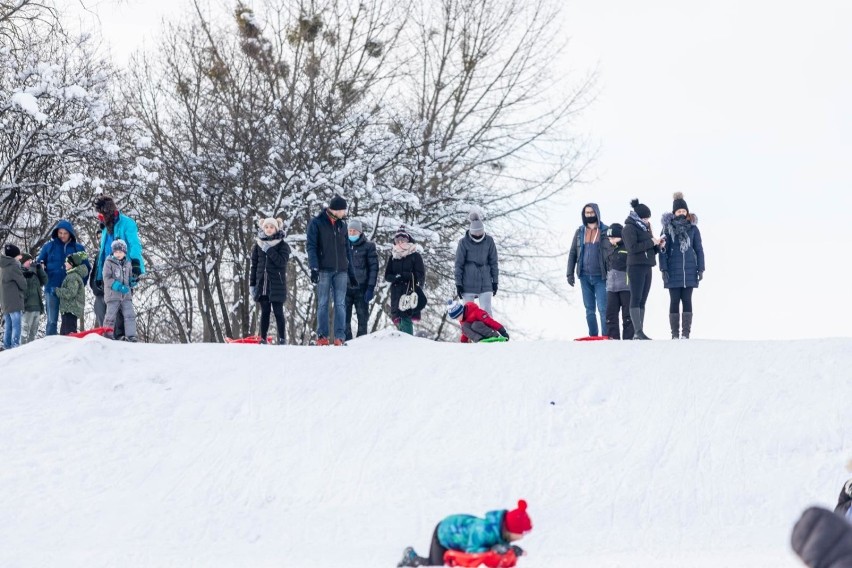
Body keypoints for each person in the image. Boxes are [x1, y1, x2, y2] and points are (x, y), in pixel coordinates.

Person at [397, 500, 532, 567]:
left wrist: (510, 551)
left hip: (460, 538)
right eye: (521, 533)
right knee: (435, 565)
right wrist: (495, 550)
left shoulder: (501, 532)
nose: (522, 536)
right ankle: (411, 557)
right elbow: (473, 553)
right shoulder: (483, 531)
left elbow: (496, 557)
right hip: (445, 533)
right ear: (512, 530)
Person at [306, 195, 358, 345]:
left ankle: (339, 337)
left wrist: (351, 273)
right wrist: (314, 267)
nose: (345, 213)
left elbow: (347, 250)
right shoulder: (317, 223)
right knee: (323, 302)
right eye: (343, 210)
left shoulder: (342, 226)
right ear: (335, 210)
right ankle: (322, 336)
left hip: (341, 270)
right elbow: (311, 246)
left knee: (340, 303)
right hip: (323, 269)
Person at [659, 192, 705, 339]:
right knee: (674, 300)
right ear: (674, 213)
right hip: (673, 271)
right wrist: (663, 268)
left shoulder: (693, 229)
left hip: (689, 271)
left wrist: (701, 268)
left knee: (687, 300)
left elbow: (698, 249)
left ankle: (686, 334)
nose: (681, 213)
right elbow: (662, 250)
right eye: (678, 211)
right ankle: (674, 334)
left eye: (683, 211)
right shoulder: (667, 229)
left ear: (687, 212)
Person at [35, 220, 89, 336]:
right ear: (57, 233)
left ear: (70, 233)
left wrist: (80, 285)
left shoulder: (78, 248)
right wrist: (41, 266)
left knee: (68, 321)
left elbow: (86, 267)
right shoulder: (48, 247)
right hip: (52, 287)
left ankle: (67, 347)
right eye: (60, 233)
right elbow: (39, 262)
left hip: (71, 291)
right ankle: (50, 344)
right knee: (52, 320)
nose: (62, 235)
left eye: (65, 233)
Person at [567, 203, 609, 336]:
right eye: (587, 213)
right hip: (584, 276)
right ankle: (593, 336)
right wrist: (570, 273)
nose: (589, 215)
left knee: (603, 308)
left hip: (601, 276)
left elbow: (611, 252)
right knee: (589, 309)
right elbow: (573, 252)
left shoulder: (605, 230)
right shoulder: (580, 232)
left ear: (597, 213)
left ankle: (605, 336)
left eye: (591, 212)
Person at [621, 198, 661, 340]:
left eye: (648, 218)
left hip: (647, 266)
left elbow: (648, 249)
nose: (646, 220)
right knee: (636, 298)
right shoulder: (629, 228)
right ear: (638, 216)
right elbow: (632, 248)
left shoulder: (646, 228)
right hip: (635, 267)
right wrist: (651, 241)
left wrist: (657, 246)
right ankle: (637, 331)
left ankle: (640, 331)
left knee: (643, 299)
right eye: (644, 218)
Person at [249, 217, 291, 345]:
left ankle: (282, 339)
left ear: (276, 228)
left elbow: (281, 262)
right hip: (262, 285)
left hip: (277, 284)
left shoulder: (283, 245)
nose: (269, 229)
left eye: (271, 227)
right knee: (265, 312)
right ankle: (263, 338)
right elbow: (254, 266)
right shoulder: (258, 245)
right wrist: (252, 284)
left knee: (278, 312)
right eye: (266, 227)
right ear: (263, 228)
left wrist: (269, 250)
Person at [454, 211, 499, 316]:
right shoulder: (463, 242)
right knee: (469, 312)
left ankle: (489, 331)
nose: (478, 235)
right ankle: (469, 332)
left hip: (485, 282)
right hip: (467, 282)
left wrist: (495, 281)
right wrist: (458, 284)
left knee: (486, 310)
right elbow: (458, 264)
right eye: (476, 233)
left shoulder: (489, 241)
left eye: (480, 232)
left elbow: (494, 262)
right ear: (471, 232)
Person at [384, 226, 426, 335]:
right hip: (396, 293)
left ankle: (408, 344)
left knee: (406, 318)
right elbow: (387, 275)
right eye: (397, 240)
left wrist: (405, 275)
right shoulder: (393, 257)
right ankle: (402, 345)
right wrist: (396, 277)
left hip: (410, 291)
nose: (400, 242)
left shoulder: (415, 255)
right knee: (399, 320)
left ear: (408, 240)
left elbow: (420, 274)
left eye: (402, 240)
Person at [345, 219, 378, 340]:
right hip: (345, 289)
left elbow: (374, 268)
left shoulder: (369, 246)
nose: (352, 233)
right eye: (350, 231)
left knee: (363, 320)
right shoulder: (342, 245)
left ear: (360, 232)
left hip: (362, 289)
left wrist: (370, 288)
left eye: (354, 231)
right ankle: (346, 345)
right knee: (344, 321)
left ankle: (361, 345)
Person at [102, 240, 138, 342]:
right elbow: (107, 278)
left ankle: (131, 335)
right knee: (111, 316)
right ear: (113, 252)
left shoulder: (128, 263)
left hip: (126, 295)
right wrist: (117, 286)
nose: (118, 254)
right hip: (113, 295)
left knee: (130, 314)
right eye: (116, 252)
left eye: (120, 252)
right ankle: (107, 335)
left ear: (124, 253)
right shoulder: (109, 262)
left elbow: (130, 277)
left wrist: (133, 281)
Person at [602, 223, 633, 340]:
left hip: (626, 287)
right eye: (610, 239)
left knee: (628, 316)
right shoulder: (609, 249)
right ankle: (613, 338)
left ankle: (628, 339)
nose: (612, 241)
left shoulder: (628, 247)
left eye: (614, 238)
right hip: (611, 288)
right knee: (610, 315)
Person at [90, 253, 124, 339]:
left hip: (115, 292)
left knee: (116, 315)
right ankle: (105, 336)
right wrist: (95, 287)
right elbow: (94, 274)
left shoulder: (120, 254)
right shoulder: (99, 254)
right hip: (100, 291)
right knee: (100, 311)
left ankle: (119, 337)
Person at [55, 251, 88, 335]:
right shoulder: (73, 275)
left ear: (72, 264)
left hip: (70, 309)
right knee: (64, 334)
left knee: (68, 335)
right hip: (70, 309)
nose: (65, 263)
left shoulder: (72, 277)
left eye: (67, 262)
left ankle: (70, 347)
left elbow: (70, 293)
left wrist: (57, 291)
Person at [1, 244, 26, 350]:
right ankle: (15, 346)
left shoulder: (3, 265)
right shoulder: (13, 265)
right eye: (18, 255)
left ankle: (7, 345)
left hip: (5, 301)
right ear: (14, 256)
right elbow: (23, 284)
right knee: (16, 324)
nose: (19, 257)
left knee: (8, 325)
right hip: (14, 300)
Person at [20, 253, 47, 344]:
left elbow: (45, 281)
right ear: (23, 262)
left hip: (37, 307)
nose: (31, 263)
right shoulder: (21, 272)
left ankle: (30, 354)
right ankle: (21, 351)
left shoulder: (33, 273)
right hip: (27, 307)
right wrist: (32, 270)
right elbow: (26, 287)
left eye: (31, 261)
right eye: (29, 261)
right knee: (24, 332)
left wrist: (39, 269)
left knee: (33, 333)